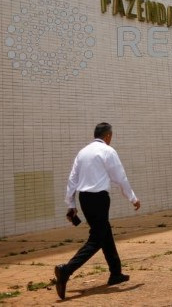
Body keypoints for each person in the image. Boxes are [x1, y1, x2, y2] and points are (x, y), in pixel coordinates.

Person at [54, 122, 141, 300]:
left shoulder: (82, 152)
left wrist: (71, 203)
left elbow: (72, 178)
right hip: (99, 199)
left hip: (84, 198)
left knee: (104, 232)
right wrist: (132, 198)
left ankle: (115, 273)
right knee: (97, 238)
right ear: (108, 136)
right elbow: (120, 176)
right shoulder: (108, 151)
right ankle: (66, 270)